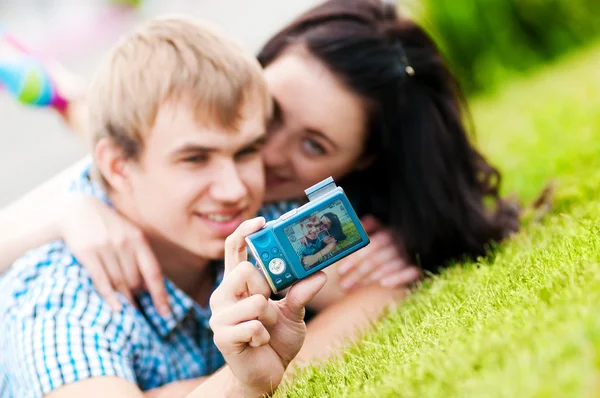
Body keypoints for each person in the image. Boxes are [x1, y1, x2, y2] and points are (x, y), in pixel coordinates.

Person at [0, 0, 520, 361]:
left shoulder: (319, 214)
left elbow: (374, 291)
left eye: (312, 145)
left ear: (359, 164)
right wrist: (71, 211)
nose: (263, 154)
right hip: (91, 183)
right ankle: (59, 91)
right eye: (269, 114)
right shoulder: (190, 142)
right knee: (98, 115)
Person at [0, 16, 327, 398]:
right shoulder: (60, 299)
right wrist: (243, 383)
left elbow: (378, 284)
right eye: (195, 158)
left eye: (247, 150)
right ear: (118, 166)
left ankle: (66, 96)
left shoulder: (255, 221)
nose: (234, 190)